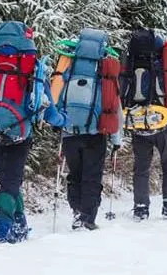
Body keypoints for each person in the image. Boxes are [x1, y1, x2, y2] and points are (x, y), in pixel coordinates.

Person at [0, 21, 66, 243]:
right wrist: (61, 120)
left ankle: (19, 227)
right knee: (10, 183)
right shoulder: (31, 65)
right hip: (19, 132)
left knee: (8, 179)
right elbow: (48, 108)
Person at [52, 28, 124, 231]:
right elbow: (114, 107)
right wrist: (116, 139)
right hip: (95, 134)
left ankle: (77, 212)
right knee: (91, 177)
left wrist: (56, 123)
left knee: (75, 175)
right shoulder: (105, 75)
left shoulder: (68, 69)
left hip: (69, 133)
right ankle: (87, 218)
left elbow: (56, 97)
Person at [120, 28, 167, 221]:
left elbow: (121, 93)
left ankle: (140, 209)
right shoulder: (164, 70)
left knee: (141, 167)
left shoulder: (130, 69)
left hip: (137, 123)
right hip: (162, 122)